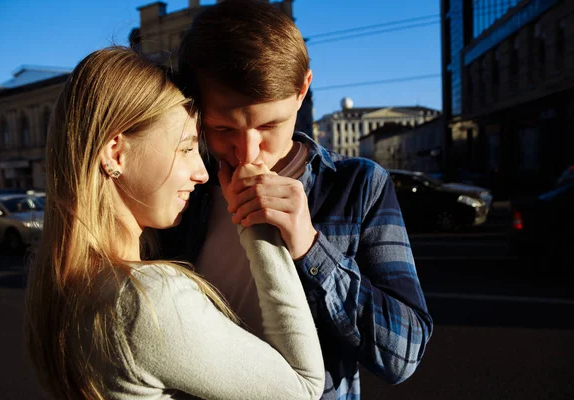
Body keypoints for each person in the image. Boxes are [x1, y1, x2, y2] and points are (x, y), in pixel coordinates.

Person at [161, 1, 434, 399]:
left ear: (302, 89)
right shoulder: (185, 185)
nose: (247, 152)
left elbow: (404, 355)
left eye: (269, 124)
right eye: (221, 128)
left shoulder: (358, 186)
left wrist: (309, 246)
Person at [24, 46, 325, 400]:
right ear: (115, 152)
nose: (201, 172)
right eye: (185, 148)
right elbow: (304, 388)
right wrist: (255, 222)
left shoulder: (64, 279)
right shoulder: (147, 299)